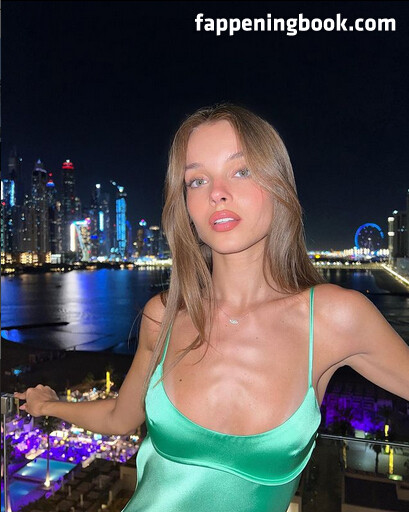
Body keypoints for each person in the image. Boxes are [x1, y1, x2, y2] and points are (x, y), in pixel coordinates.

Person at [15, 104, 409, 512]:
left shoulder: (333, 318)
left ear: (278, 185)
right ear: (185, 205)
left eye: (241, 171)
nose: (216, 193)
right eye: (197, 180)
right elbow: (119, 416)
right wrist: (49, 405)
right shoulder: (163, 317)